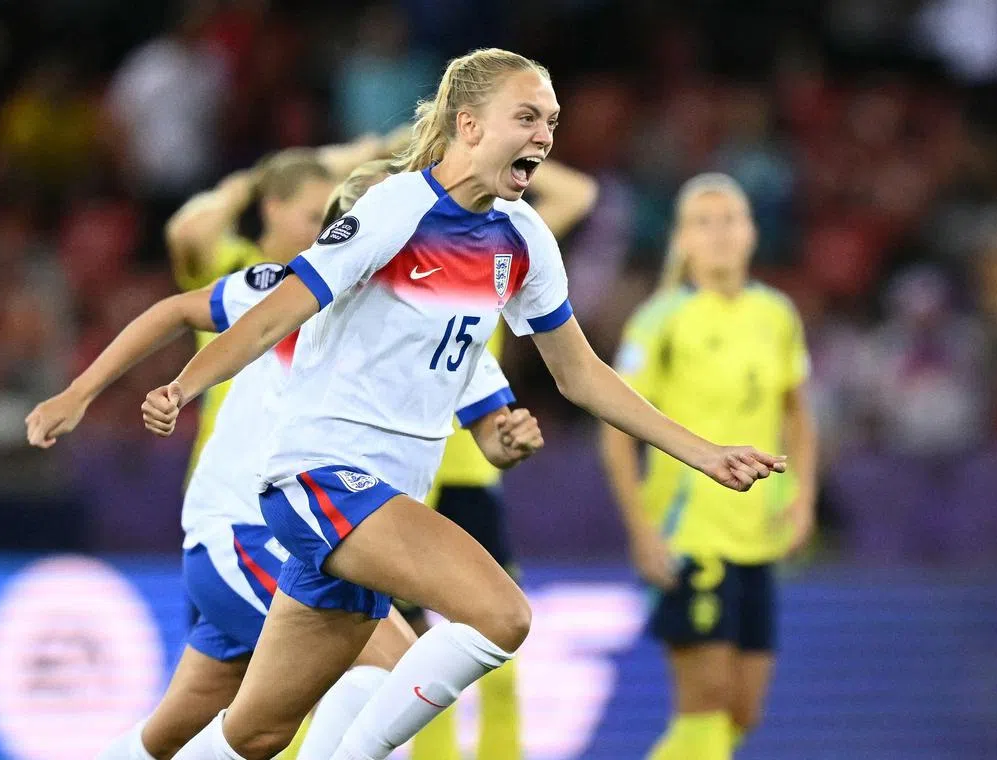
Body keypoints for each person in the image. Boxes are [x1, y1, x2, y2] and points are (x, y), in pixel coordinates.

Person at [145, 48, 785, 760]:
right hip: (322, 479)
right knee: (501, 615)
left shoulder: (524, 238)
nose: (545, 134)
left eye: (551, 120)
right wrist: (184, 385)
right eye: (527, 116)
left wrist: (701, 451)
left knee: (254, 735)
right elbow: (274, 313)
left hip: (387, 494)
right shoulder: (396, 207)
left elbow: (579, 373)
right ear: (470, 124)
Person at [25, 191, 540, 759]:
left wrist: (510, 436)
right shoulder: (295, 289)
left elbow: (494, 428)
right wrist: (82, 393)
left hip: (321, 542)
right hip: (246, 530)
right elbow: (179, 306)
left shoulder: (444, 325)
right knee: (388, 669)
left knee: (186, 736)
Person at [599, 173, 817, 760]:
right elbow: (615, 433)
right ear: (682, 240)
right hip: (687, 533)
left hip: (756, 536)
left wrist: (802, 499)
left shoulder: (776, 315)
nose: (719, 233)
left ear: (752, 233)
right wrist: (642, 533)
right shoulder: (660, 321)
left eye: (731, 219)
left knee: (743, 711)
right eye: (703, 221)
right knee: (707, 703)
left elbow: (797, 414)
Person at [395, 157, 598, 760]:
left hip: (468, 464)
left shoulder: (501, 234)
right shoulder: (386, 231)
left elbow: (578, 192)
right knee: (403, 654)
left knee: (496, 639)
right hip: (396, 470)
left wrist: (491, 157)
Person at [167, 136, 400, 482]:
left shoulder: (338, 277)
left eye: (329, 215)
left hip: (305, 473)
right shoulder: (232, 266)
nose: (323, 227)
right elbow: (187, 234)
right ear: (272, 208)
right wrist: (253, 182)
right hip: (227, 475)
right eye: (311, 216)